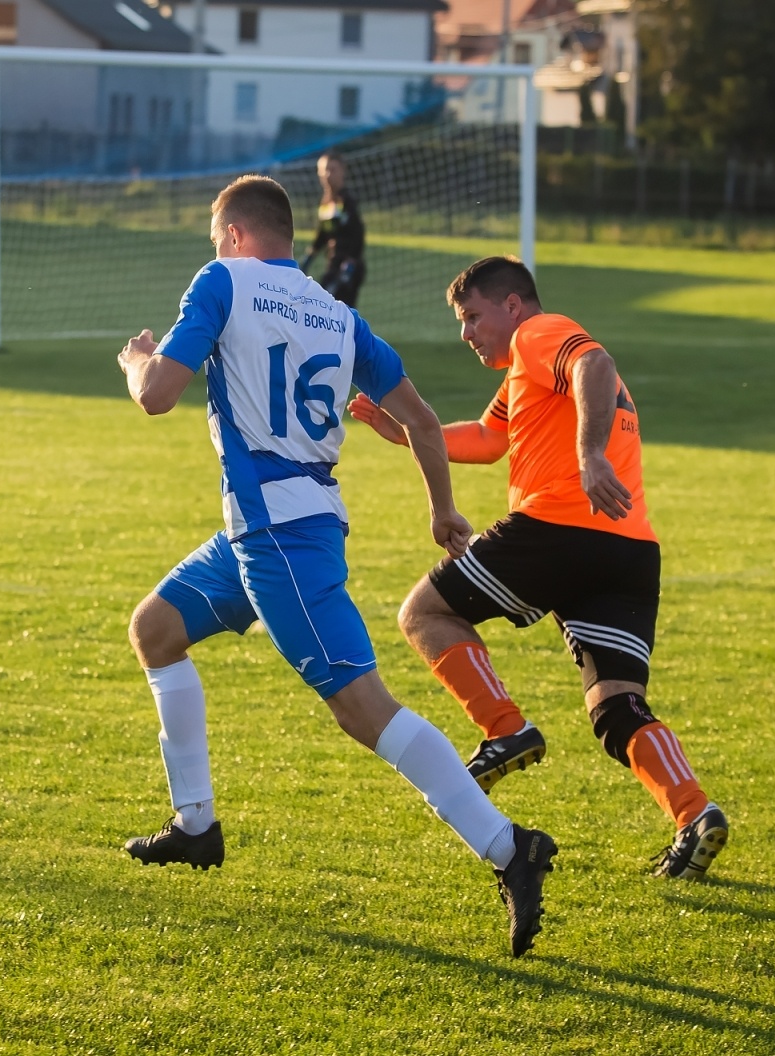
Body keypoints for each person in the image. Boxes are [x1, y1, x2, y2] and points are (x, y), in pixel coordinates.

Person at [115, 178, 557, 956]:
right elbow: (419, 417)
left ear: (231, 234)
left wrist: (136, 360)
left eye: (216, 240)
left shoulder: (222, 280)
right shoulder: (337, 313)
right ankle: (195, 825)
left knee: (363, 708)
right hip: (271, 527)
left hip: (278, 538)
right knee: (155, 628)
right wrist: (442, 509)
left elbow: (156, 397)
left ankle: (508, 847)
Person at [348, 255, 728, 881]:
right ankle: (694, 814)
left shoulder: (539, 334)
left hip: (559, 528)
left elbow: (595, 363)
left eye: (472, 317)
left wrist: (589, 456)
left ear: (513, 306)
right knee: (616, 708)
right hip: (628, 548)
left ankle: (507, 729)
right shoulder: (528, 372)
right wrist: (406, 432)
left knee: (426, 612)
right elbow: (491, 438)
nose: (466, 333)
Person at [301, 151, 366, 307]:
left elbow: (358, 233)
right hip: (333, 264)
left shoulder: (346, 201)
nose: (327, 175)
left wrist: (351, 261)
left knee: (334, 309)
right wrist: (310, 256)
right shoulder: (326, 203)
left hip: (347, 267)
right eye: (323, 171)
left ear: (343, 170)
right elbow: (323, 233)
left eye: (332, 169)